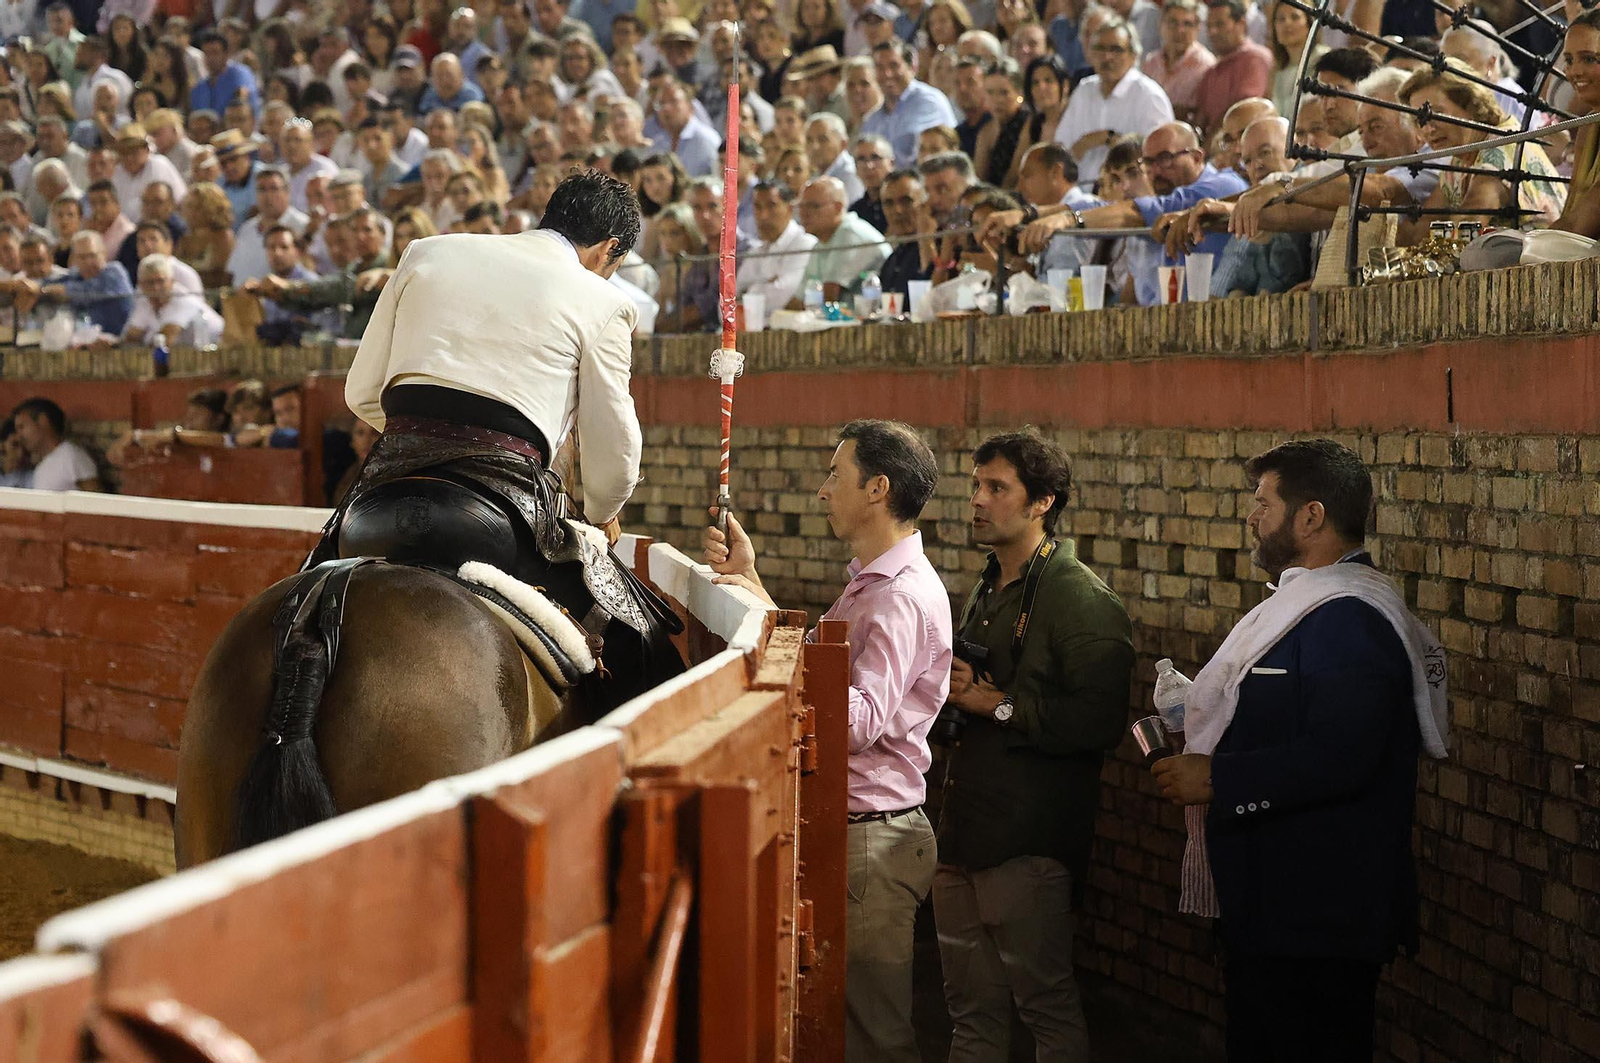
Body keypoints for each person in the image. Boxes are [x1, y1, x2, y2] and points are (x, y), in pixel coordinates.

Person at [316, 169, 682, 709]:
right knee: (644, 647)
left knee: (298, 613)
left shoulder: (426, 252)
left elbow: (363, 391)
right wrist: (603, 511)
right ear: (610, 249)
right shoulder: (603, 301)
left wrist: (425, 436)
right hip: (497, 517)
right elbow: (616, 453)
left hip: (375, 508)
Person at [1152, 439, 1449, 1063]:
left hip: (1317, 915)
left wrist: (1221, 778)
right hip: (1273, 909)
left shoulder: (1350, 619)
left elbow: (1346, 756)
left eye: (1264, 504)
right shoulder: (1305, 605)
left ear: (1311, 516)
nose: (1251, 517)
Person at [703, 419, 951, 1063]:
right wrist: (755, 586)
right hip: (862, 831)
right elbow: (825, 667)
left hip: (872, 837)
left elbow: (859, 720)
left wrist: (771, 646)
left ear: (877, 488)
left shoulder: (898, 597)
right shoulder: (874, 584)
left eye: (835, 475)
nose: (822, 490)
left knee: (872, 1035)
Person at [935, 428, 1132, 1063]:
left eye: (997, 487)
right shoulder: (990, 584)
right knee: (970, 1017)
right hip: (963, 834)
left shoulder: (1079, 597)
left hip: (1027, 845)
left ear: (1042, 501)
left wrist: (998, 704)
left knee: (1046, 1011)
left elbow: (1101, 722)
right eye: (975, 485)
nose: (977, 499)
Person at [1052, 14, 1173, 187]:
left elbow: (1159, 158)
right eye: (1100, 49)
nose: (1107, 57)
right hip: (1079, 190)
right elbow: (1062, 150)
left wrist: (1109, 139)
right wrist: (1084, 143)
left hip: (1126, 193)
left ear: (1133, 55)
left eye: (1116, 49)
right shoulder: (1084, 90)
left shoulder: (1149, 96)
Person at [794, 175, 890, 305]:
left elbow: (830, 296)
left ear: (838, 207)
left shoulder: (850, 233)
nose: (803, 213)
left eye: (813, 206)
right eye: (801, 206)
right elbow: (800, 297)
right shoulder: (820, 243)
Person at [861, 40, 960, 166]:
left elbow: (939, 154)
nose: (887, 74)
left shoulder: (929, 102)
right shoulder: (871, 121)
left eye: (894, 65)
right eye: (880, 67)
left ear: (912, 67)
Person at [738, 181, 816, 326]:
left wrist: (749, 291)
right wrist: (765, 285)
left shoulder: (804, 244)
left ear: (790, 209)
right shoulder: (756, 252)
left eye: (771, 206)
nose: (763, 216)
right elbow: (725, 307)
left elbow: (783, 296)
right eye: (758, 207)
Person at [1193, 0, 1272, 133]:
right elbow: (1200, 119)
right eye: (1209, 26)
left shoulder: (1256, 59)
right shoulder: (1211, 72)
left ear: (1241, 23)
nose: (1212, 32)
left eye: (1220, 24)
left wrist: (1212, 140)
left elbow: (1245, 110)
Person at [123, 252, 222, 346]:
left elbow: (165, 340)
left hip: (218, 349)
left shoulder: (183, 299)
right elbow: (132, 337)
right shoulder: (143, 300)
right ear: (141, 285)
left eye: (160, 281)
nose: (156, 287)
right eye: (150, 282)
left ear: (172, 282)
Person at [1143, 0, 1215, 122]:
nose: (1180, 30)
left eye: (1187, 24)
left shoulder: (1206, 66)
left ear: (1197, 28)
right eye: (1173, 22)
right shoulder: (1151, 62)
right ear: (1161, 24)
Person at [8, 397, 100, 491]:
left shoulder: (71, 456)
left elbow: (94, 496)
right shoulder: (43, 465)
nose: (18, 436)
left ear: (43, 421)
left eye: (22, 427)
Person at [878, 167, 937, 297]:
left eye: (906, 201)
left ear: (925, 204)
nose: (897, 210)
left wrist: (925, 239)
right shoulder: (890, 262)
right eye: (889, 203)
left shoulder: (939, 248)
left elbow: (935, 293)